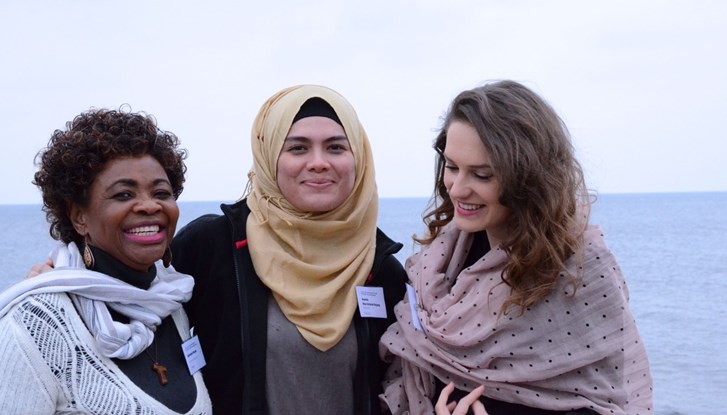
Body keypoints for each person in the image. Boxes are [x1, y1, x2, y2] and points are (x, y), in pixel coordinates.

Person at [379, 80, 653, 415]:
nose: (458, 189)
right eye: (452, 167)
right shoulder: (439, 260)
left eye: (481, 175)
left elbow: (612, 400)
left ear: (528, 177)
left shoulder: (580, 270)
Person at [171, 84, 408, 414]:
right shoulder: (211, 247)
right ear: (269, 158)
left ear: (358, 158)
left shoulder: (382, 269)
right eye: (298, 148)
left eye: (336, 147)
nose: (318, 162)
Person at [0, 108, 212, 414]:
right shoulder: (32, 328)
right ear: (79, 216)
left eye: (161, 192)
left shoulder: (174, 305)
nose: (149, 205)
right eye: (124, 195)